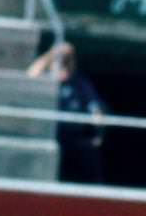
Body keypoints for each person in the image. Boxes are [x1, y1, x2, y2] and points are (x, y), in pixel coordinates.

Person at [25, 40, 109, 185]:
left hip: (73, 137)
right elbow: (29, 76)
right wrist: (49, 57)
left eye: (67, 61)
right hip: (47, 134)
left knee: (88, 153)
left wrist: (98, 132)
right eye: (60, 60)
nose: (64, 65)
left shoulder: (80, 83)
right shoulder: (44, 78)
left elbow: (95, 108)